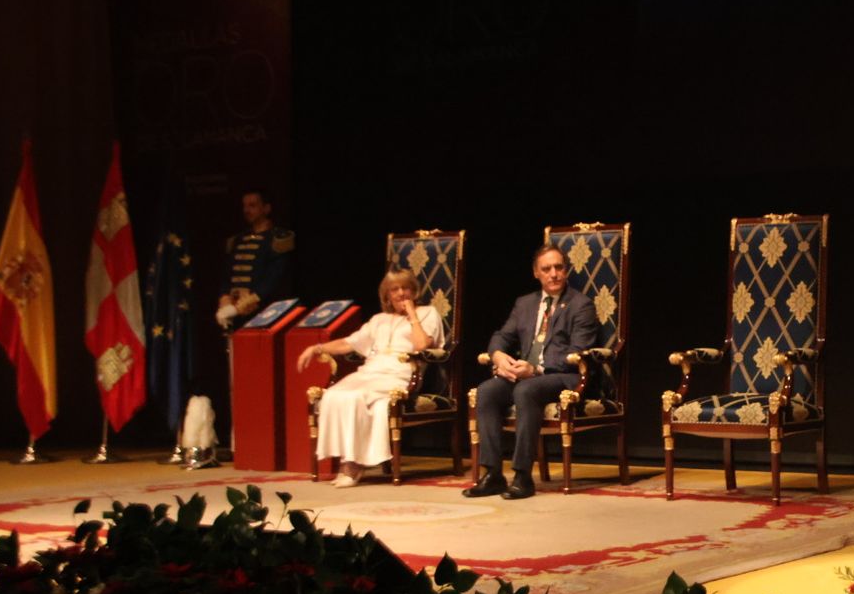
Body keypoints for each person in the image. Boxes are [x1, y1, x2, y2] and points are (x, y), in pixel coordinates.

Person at [465, 244, 598, 501]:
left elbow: (578, 351)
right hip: (524, 373)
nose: (554, 274)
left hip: (563, 376)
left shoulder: (581, 305)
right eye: (546, 269)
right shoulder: (525, 303)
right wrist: (499, 356)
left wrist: (536, 368)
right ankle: (492, 473)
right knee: (487, 390)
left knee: (526, 389)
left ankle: (523, 475)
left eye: (559, 267)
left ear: (567, 270)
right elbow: (501, 336)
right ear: (536, 273)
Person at [297, 270, 444, 488]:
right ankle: (347, 456)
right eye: (395, 289)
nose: (401, 293)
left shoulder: (427, 313)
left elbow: (423, 345)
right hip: (370, 371)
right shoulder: (379, 320)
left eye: (406, 288)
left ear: (414, 291)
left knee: (356, 396)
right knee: (334, 395)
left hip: (400, 372)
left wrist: (412, 314)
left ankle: (352, 464)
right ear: (387, 295)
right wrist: (316, 347)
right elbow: (348, 343)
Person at [216, 189, 294, 330]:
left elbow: (273, 279)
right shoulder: (237, 240)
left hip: (265, 312)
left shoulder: (278, 238)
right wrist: (225, 300)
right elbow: (226, 275)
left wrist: (239, 307)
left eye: (252, 206)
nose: (247, 210)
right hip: (234, 313)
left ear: (266, 208)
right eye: (245, 206)